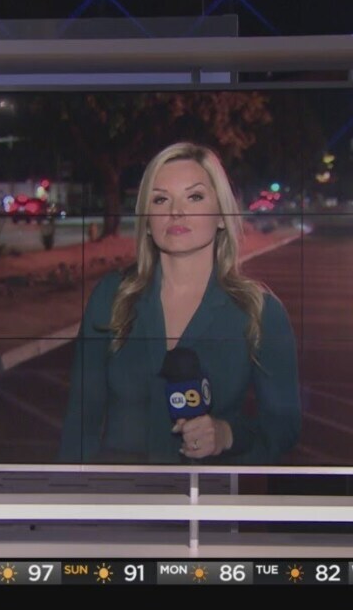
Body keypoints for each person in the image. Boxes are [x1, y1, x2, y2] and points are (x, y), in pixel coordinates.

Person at [59, 142, 301, 465]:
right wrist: (71, 491)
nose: (176, 211)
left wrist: (226, 434)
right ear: (147, 220)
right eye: (161, 199)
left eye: (194, 197)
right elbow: (80, 421)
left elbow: (283, 426)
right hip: (121, 492)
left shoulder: (261, 312)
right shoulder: (111, 297)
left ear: (221, 215)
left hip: (205, 493)